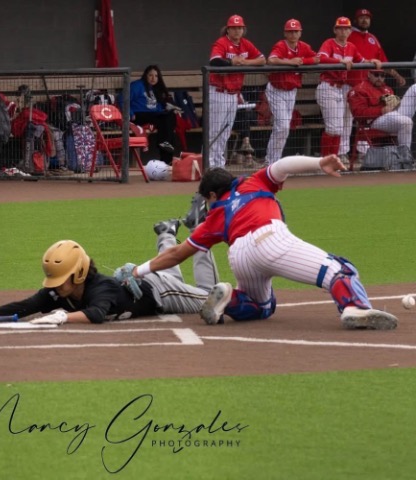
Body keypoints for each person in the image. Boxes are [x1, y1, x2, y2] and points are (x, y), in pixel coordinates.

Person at [127, 154, 398, 330]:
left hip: (240, 256)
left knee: (261, 306)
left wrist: (137, 271)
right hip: (271, 240)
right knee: (340, 270)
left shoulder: (215, 217)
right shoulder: (254, 182)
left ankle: (230, 299)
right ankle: (354, 308)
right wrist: (319, 163)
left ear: (212, 194)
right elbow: (284, 165)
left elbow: (176, 254)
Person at [0, 234, 219, 325]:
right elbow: (25, 306)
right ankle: (166, 234)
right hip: (154, 282)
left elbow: (96, 314)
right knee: (170, 269)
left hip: (162, 293)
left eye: (61, 279)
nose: (55, 286)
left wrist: (62, 317)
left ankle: (200, 234)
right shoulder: (58, 292)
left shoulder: (101, 287)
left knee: (213, 300)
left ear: (79, 273)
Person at [342, 9, 406, 163]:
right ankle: (342, 153)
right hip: (349, 85)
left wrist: (396, 75)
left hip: (367, 87)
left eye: (367, 18)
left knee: (366, 120)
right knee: (345, 121)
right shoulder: (349, 35)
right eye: (361, 18)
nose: (364, 20)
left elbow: (383, 61)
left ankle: (365, 154)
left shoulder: (372, 38)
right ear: (355, 20)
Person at [315, 17, 382, 160]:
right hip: (328, 86)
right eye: (340, 28)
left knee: (339, 127)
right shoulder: (329, 43)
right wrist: (340, 61)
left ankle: (334, 158)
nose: (343, 31)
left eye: (346, 29)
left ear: (350, 31)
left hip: (340, 89)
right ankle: (325, 160)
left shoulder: (351, 46)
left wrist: (372, 61)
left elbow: (361, 60)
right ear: (335, 30)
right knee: (333, 127)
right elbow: (320, 58)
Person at [208, 14, 265, 169]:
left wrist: (245, 62)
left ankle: (218, 165)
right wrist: (231, 62)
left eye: (240, 28)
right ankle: (208, 164)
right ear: (228, 29)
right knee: (214, 131)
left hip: (233, 95)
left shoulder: (245, 44)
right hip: (219, 92)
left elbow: (262, 59)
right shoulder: (222, 42)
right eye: (233, 28)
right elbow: (214, 61)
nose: (237, 30)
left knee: (225, 132)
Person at [264, 19, 319, 165]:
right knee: (282, 126)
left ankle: (273, 160)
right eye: (290, 31)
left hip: (291, 90)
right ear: (285, 33)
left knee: (284, 128)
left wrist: (302, 61)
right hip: (276, 89)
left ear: (300, 33)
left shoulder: (304, 46)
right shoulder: (281, 45)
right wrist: (290, 61)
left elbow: (317, 58)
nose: (293, 34)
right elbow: (271, 60)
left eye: (296, 31)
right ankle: (271, 161)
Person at [347, 69, 413, 157]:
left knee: (414, 88)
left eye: (382, 76)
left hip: (392, 116)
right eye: (376, 75)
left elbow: (393, 106)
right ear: (369, 74)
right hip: (373, 121)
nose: (379, 78)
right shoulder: (359, 89)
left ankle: (404, 155)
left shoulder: (387, 89)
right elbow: (358, 113)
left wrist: (396, 104)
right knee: (406, 122)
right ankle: (405, 156)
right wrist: (381, 110)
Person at [126, 65, 179, 165]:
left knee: (169, 118)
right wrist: (130, 113)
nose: (153, 78)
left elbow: (157, 106)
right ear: (145, 75)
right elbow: (122, 99)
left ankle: (165, 153)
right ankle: (166, 157)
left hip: (152, 115)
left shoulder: (156, 89)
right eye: (150, 75)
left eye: (156, 76)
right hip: (138, 114)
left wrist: (168, 108)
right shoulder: (137, 86)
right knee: (165, 123)